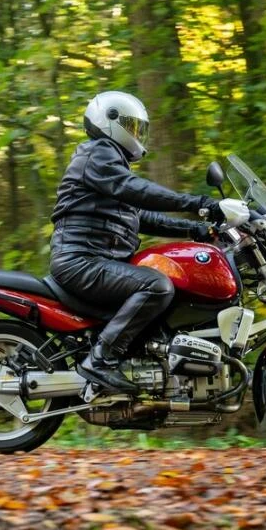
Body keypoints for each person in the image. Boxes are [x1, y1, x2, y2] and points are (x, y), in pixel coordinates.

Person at [49, 90, 221, 392]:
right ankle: (100, 360)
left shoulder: (109, 166)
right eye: (131, 127)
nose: (136, 134)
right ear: (110, 121)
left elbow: (142, 215)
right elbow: (137, 190)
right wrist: (198, 203)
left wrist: (197, 231)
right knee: (156, 285)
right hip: (81, 261)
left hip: (95, 260)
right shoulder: (98, 154)